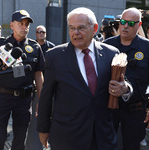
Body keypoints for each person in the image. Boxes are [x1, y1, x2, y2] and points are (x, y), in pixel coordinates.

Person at [37, 7, 132, 150]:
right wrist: (43, 129)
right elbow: (46, 96)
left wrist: (124, 88)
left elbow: (124, 83)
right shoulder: (55, 56)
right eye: (71, 28)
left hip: (102, 136)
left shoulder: (111, 53)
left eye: (81, 28)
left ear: (94, 28)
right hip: (67, 137)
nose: (75, 33)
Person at [0, 9, 45, 150]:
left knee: (20, 139)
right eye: (20, 23)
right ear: (12, 25)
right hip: (2, 96)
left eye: (26, 24)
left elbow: (38, 75)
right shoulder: (0, 44)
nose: (24, 27)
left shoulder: (34, 47)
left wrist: (42, 100)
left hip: (24, 99)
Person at [104, 7, 149, 150]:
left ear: (139, 25)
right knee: (105, 144)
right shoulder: (107, 45)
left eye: (131, 23)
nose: (126, 26)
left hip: (135, 110)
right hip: (108, 109)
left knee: (132, 146)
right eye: (123, 22)